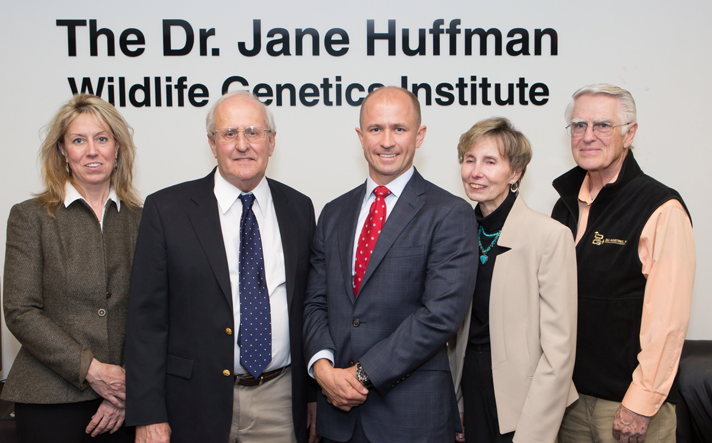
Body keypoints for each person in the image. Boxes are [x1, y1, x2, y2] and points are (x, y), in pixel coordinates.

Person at [124, 91, 317, 443]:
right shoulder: (167, 210)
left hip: (279, 399)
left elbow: (310, 308)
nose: (242, 145)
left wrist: (314, 396)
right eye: (229, 134)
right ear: (212, 144)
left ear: (271, 142)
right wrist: (148, 413)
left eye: (253, 133)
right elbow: (145, 321)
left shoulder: (299, 209)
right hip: (193, 404)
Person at [302, 86, 478, 442]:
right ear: (360, 135)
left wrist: (360, 376)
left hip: (412, 419)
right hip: (339, 419)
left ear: (420, 135)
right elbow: (316, 302)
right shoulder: (334, 213)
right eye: (375, 129)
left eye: (399, 129)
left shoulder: (449, 213)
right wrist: (322, 370)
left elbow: (441, 315)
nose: (386, 141)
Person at [553, 84, 696, 443]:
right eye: (578, 126)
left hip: (627, 406)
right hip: (568, 401)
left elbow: (668, 321)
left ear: (629, 133)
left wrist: (640, 402)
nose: (588, 137)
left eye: (602, 125)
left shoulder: (660, 207)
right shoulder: (564, 205)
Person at [2, 93, 143, 442]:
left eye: (102, 139)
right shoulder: (30, 217)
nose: (91, 151)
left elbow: (154, 311)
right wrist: (92, 371)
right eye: (78, 140)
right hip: (50, 399)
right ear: (63, 151)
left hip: (126, 400)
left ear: (117, 148)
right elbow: (20, 311)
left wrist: (124, 387)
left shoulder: (144, 219)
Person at [448, 117, 578, 443]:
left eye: (490, 162)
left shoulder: (549, 236)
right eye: (469, 160)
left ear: (515, 172)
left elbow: (559, 352)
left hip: (527, 403)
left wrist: (536, 430)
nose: (476, 172)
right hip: (471, 392)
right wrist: (457, 403)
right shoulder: (456, 231)